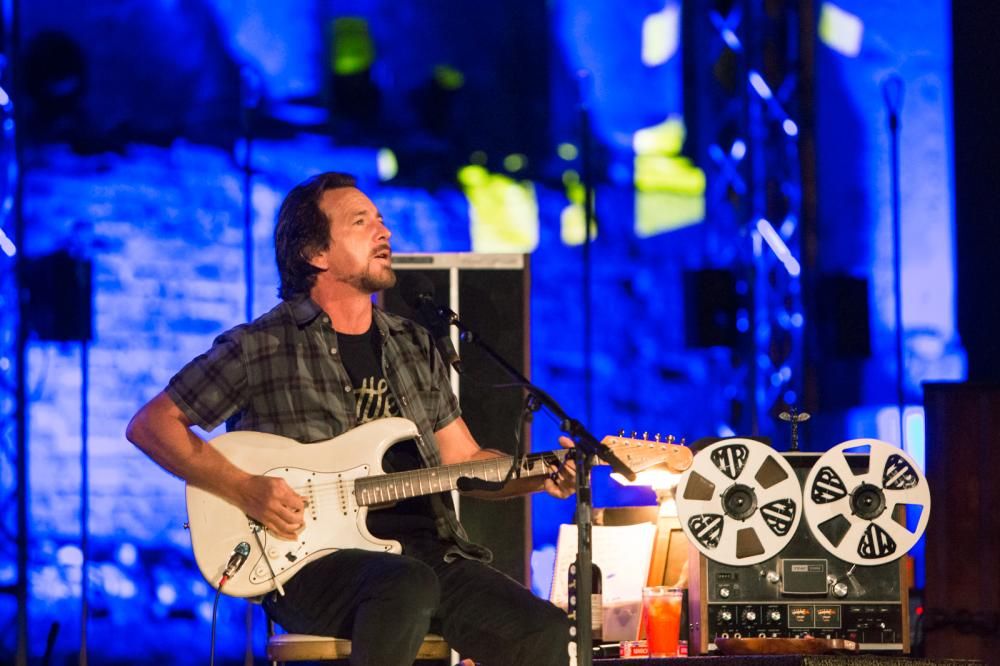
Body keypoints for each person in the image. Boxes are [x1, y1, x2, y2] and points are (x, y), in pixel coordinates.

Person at [126, 171, 575, 666]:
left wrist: (541, 474)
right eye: (361, 222)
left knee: (542, 629)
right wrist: (245, 488)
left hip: (428, 554)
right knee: (406, 585)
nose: (384, 231)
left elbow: (464, 460)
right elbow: (152, 425)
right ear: (315, 253)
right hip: (309, 566)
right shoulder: (259, 346)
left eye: (380, 220)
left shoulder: (413, 344)